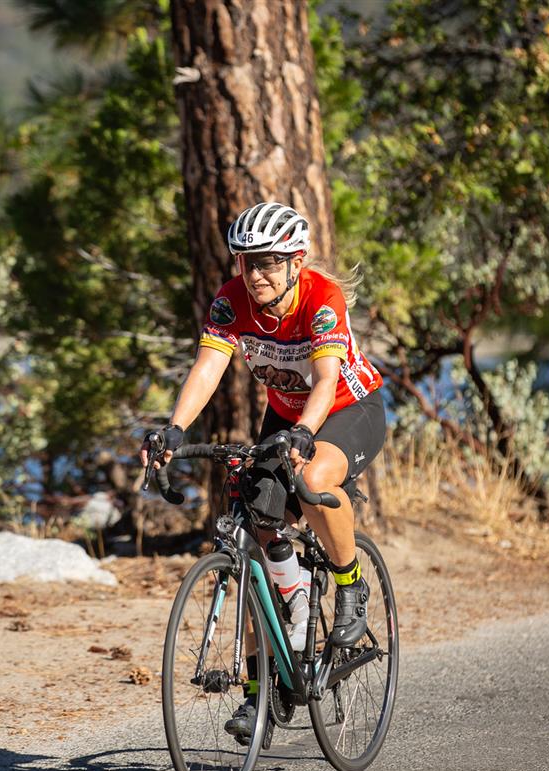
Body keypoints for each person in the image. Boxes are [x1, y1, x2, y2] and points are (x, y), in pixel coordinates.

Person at [140, 200, 386, 742]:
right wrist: (173, 429)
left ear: (296, 262)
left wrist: (304, 433)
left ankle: (350, 584)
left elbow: (325, 379)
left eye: (269, 262)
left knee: (316, 480)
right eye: (246, 262)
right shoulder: (231, 303)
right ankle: (261, 691)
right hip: (285, 414)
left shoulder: (322, 299)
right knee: (253, 534)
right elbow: (208, 368)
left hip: (348, 408)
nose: (255, 275)